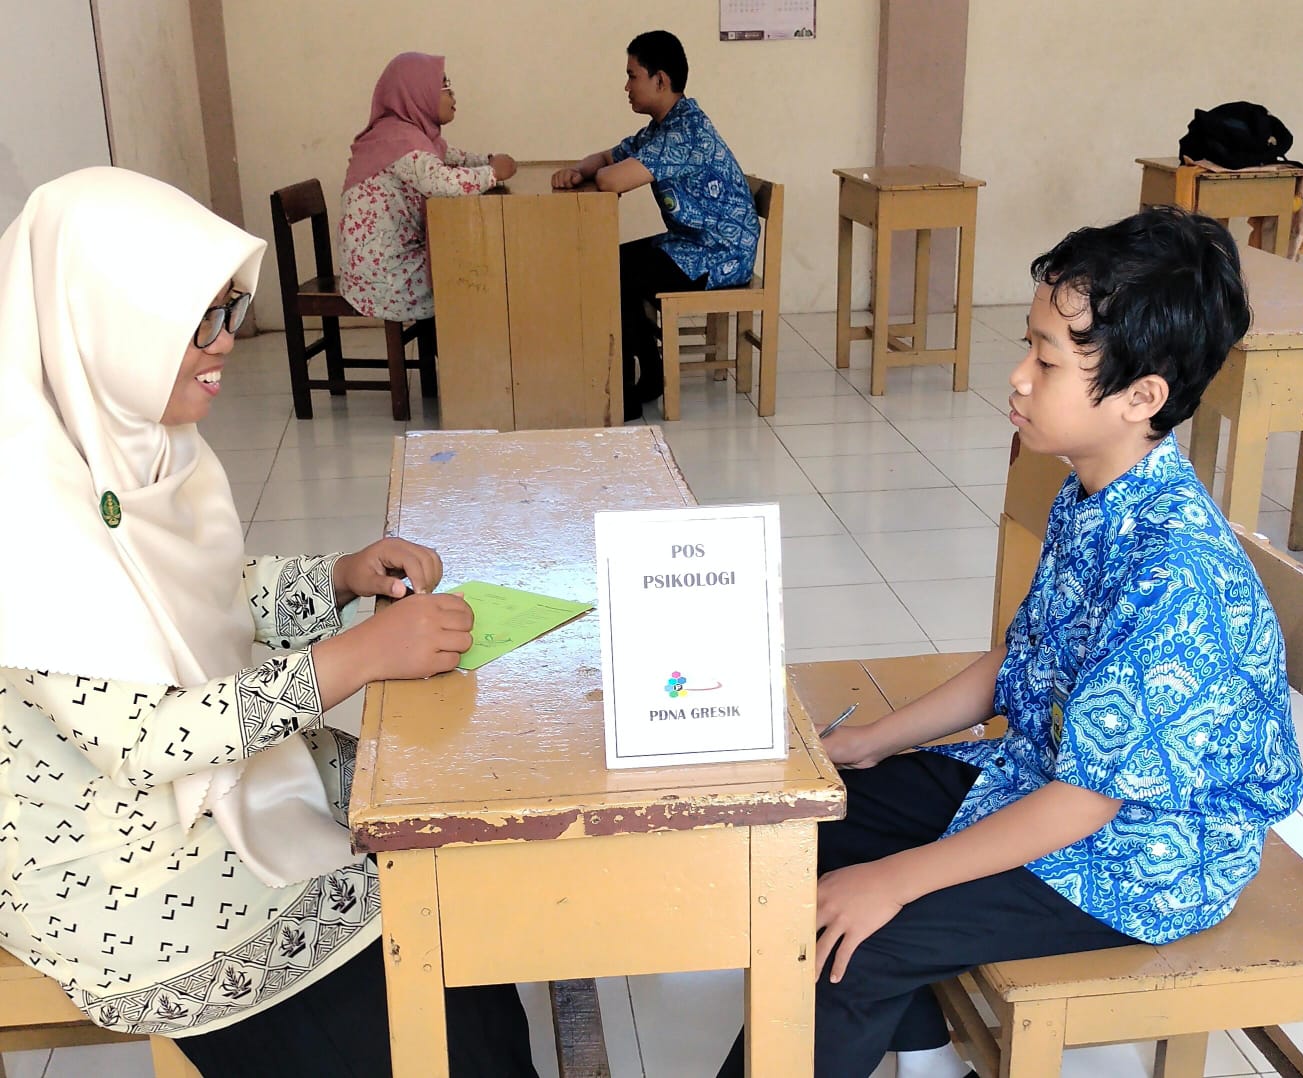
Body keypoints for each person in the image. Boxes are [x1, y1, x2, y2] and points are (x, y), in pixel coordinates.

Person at [717, 206, 1303, 1078]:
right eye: (1027, 346)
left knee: (847, 942)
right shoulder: (1092, 488)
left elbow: (1089, 804)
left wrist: (902, 877)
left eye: (1046, 358)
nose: (1018, 377)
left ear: (1143, 397)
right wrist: (863, 744)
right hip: (1044, 779)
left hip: (1140, 859)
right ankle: (923, 1052)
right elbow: (1017, 660)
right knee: (809, 819)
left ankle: (884, 1020)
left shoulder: (1178, 577)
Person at [0, 167, 538, 1078]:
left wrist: (340, 576)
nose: (226, 345)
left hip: (215, 785)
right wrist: (353, 658)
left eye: (231, 314)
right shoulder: (21, 515)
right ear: (104, 323)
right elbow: (147, 738)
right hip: (122, 867)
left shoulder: (135, 445)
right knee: (415, 1011)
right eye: (195, 323)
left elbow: (196, 592)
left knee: (444, 873)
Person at [552, 31, 760, 421]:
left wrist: (596, 174)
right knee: (609, 262)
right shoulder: (661, 127)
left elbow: (614, 179)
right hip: (692, 243)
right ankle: (649, 374)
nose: (626, 86)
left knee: (616, 271)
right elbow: (607, 157)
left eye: (633, 75)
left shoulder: (684, 133)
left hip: (719, 254)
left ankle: (636, 386)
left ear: (660, 80)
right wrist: (577, 171)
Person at [339, 51, 517, 322]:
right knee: (472, 273)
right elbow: (441, 183)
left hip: (393, 264)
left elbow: (455, 159)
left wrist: (488, 161)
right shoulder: (399, 141)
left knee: (469, 266)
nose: (453, 95)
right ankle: (466, 356)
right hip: (384, 278)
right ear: (417, 92)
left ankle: (463, 354)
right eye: (445, 86)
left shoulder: (413, 136)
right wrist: (492, 173)